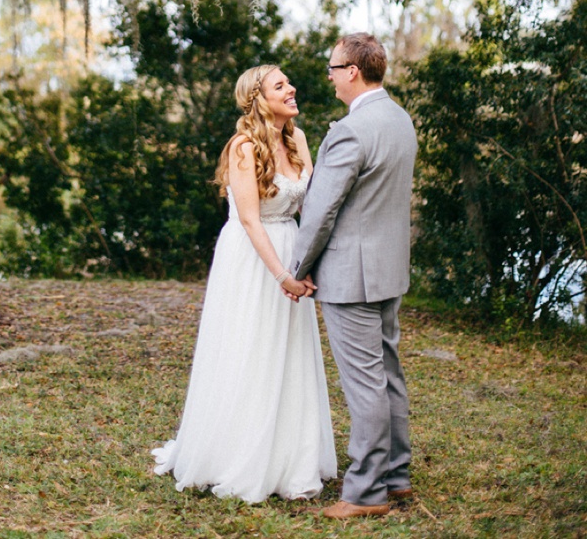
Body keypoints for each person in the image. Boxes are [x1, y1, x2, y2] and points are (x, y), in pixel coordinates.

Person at [152, 64, 337, 503]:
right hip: (253, 259)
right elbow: (251, 219)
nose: (292, 89)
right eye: (280, 85)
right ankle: (236, 453)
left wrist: (308, 262)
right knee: (250, 347)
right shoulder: (243, 147)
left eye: (288, 83)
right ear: (258, 98)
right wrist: (282, 275)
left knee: (288, 351)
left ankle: (292, 455)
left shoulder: (298, 139)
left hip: (292, 246)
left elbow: (313, 204)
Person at [291, 33, 417, 522]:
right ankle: (397, 476)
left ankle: (366, 492)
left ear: (351, 72)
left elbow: (321, 211)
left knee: (365, 385)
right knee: (387, 375)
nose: (328, 77)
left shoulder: (350, 131)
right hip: (388, 270)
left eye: (331, 68)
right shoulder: (399, 120)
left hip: (350, 275)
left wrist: (295, 270)